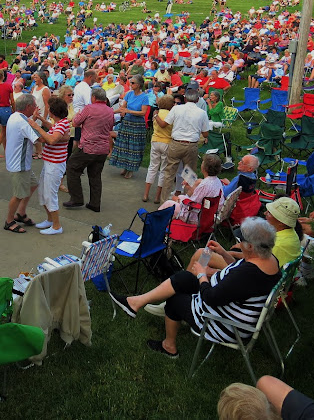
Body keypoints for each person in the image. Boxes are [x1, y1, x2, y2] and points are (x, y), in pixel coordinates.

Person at [110, 217, 281, 357]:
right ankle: (136, 302)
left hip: (225, 324)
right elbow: (237, 268)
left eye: (241, 240)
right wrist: (222, 253)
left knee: (175, 300)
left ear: (251, 246)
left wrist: (201, 274)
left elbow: (211, 298)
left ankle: (169, 347)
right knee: (185, 277)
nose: (238, 242)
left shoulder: (248, 274)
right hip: (230, 308)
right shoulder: (268, 259)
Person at [64, 87, 114, 213]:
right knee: (95, 175)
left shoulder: (89, 108)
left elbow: (75, 122)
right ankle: (95, 203)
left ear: (94, 97)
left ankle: (77, 198)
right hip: (102, 149)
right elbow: (111, 126)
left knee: (72, 167)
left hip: (88, 146)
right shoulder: (110, 111)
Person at [26, 96, 71, 235]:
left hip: (55, 165)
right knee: (43, 192)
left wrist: (36, 126)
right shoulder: (60, 123)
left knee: (50, 195)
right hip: (50, 163)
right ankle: (50, 220)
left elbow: (51, 140)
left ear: (53, 111)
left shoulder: (62, 124)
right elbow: (53, 129)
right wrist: (41, 120)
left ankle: (57, 226)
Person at [155, 88, 209, 196]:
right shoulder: (202, 113)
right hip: (191, 145)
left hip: (176, 143)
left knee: (169, 174)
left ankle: (164, 202)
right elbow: (206, 134)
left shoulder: (176, 109)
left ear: (184, 98)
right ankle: (187, 201)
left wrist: (156, 115)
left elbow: (163, 124)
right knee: (189, 175)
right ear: (198, 99)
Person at [3, 93, 40, 234]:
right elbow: (38, 138)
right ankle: (9, 221)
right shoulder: (23, 122)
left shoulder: (15, 116)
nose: (36, 108)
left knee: (33, 185)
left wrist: (34, 119)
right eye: (35, 106)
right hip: (20, 164)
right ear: (29, 106)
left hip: (19, 162)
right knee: (18, 194)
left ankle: (21, 213)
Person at [159, 153, 224, 222]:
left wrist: (178, 201)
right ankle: (167, 224)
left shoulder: (204, 185)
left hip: (197, 216)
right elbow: (200, 198)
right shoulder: (217, 180)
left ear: (205, 168)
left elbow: (192, 204)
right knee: (180, 196)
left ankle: (154, 223)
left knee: (169, 203)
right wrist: (189, 189)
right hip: (211, 212)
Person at [110, 74, 150, 179]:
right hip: (127, 122)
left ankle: (131, 169)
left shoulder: (144, 97)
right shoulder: (129, 94)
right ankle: (125, 166)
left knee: (134, 148)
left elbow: (143, 112)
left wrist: (129, 111)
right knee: (125, 146)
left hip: (137, 125)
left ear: (139, 84)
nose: (131, 84)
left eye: (133, 83)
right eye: (130, 82)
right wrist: (111, 112)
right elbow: (123, 108)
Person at [143, 95, 174, 204]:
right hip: (167, 142)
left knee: (152, 167)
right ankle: (157, 197)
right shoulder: (171, 115)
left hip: (155, 140)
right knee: (163, 169)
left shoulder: (156, 113)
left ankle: (145, 194)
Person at [0, 68, 14, 159]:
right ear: (3, 76)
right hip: (5, 109)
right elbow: (12, 100)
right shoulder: (8, 86)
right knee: (4, 132)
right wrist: (14, 110)